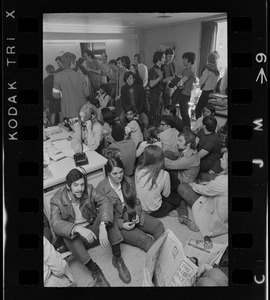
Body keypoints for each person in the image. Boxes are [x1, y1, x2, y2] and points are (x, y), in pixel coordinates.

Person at [50, 168, 132, 286]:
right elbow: (55, 223)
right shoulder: (56, 200)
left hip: (93, 231)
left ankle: (117, 258)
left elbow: (106, 201)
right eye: (76, 185)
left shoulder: (89, 189)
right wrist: (77, 228)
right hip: (79, 240)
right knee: (67, 235)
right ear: (68, 186)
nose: (80, 189)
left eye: (82, 184)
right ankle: (95, 271)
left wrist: (103, 225)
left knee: (107, 216)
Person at [96, 157, 165, 252]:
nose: (119, 176)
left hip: (130, 212)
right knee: (144, 239)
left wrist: (136, 213)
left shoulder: (128, 180)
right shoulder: (101, 189)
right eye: (115, 173)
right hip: (116, 221)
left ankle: (167, 255)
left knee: (158, 225)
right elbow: (103, 215)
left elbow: (135, 200)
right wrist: (122, 224)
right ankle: (165, 258)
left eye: (121, 172)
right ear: (108, 173)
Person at [177, 151, 228, 241]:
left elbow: (206, 190)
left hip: (213, 220)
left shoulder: (222, 181)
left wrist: (193, 185)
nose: (221, 159)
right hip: (223, 215)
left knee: (182, 187)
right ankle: (183, 213)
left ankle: (183, 213)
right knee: (204, 179)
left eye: (223, 158)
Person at [135, 145, 181, 218]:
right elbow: (166, 194)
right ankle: (175, 211)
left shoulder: (138, 170)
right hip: (157, 211)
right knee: (176, 198)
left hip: (141, 208)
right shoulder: (164, 174)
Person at [53, 52, 89, 119]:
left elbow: (55, 95)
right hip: (82, 109)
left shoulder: (57, 76)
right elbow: (86, 94)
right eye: (75, 61)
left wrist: (63, 94)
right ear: (72, 63)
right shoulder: (81, 75)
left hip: (67, 110)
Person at [170, 52, 196, 128]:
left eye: (185, 59)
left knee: (184, 114)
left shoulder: (189, 71)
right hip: (182, 93)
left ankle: (187, 130)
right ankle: (185, 128)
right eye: (183, 59)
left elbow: (180, 83)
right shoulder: (185, 70)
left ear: (190, 60)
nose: (183, 61)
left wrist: (176, 81)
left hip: (185, 94)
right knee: (183, 113)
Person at [195, 52, 220, 119]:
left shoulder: (207, 69)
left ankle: (199, 124)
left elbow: (202, 80)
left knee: (198, 110)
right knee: (209, 111)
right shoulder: (216, 70)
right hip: (212, 92)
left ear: (208, 59)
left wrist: (199, 83)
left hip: (206, 92)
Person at [148, 51, 166, 125]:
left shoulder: (160, 68)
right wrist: (160, 77)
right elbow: (151, 84)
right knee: (154, 115)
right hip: (155, 95)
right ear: (159, 59)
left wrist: (167, 79)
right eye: (163, 57)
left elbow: (160, 81)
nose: (165, 59)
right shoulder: (153, 70)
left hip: (160, 94)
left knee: (158, 114)